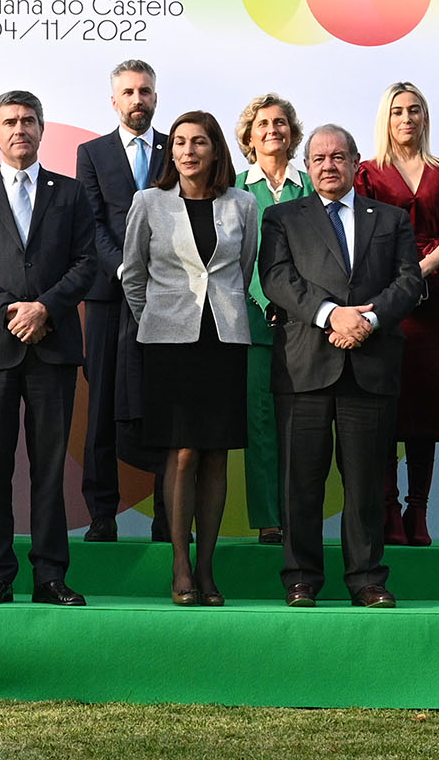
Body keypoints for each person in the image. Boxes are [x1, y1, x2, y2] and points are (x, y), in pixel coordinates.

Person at [258, 124, 424, 609]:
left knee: (367, 484)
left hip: (370, 366)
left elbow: (409, 280)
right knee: (300, 484)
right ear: (306, 168)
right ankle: (301, 579)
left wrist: (367, 319)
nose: (328, 165)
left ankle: (368, 580)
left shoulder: (390, 219)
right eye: (318, 159)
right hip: (305, 365)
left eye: (338, 157)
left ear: (356, 162)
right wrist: (333, 314)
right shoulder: (282, 217)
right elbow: (276, 279)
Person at [0, 91, 93, 607]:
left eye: (28, 121)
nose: (19, 129)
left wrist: (45, 309)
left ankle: (51, 575)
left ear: (41, 129)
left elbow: (86, 263)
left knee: (49, 468)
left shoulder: (72, 194)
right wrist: (13, 310)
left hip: (51, 347)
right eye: (9, 122)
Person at [121, 111, 258, 606]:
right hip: (168, 345)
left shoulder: (243, 204)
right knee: (181, 452)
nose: (187, 151)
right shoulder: (149, 202)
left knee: (216, 452)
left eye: (199, 142)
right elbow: (132, 275)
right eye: (179, 142)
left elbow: (240, 273)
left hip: (223, 342)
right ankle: (180, 564)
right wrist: (157, 320)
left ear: (216, 149)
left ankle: (207, 566)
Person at [352, 81, 439, 547]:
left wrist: (421, 269)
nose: (406, 118)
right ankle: (387, 510)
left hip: (432, 299)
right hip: (383, 299)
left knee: (426, 407)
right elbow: (358, 233)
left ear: (425, 117)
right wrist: (397, 281)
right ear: (386, 118)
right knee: (384, 405)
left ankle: (418, 512)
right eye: (397, 111)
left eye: (414, 110)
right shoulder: (367, 173)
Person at [73, 58, 170, 541]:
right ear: (114, 101)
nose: (138, 100)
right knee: (102, 407)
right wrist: (127, 270)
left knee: (165, 406)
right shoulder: (92, 154)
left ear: (156, 97)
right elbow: (91, 223)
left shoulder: (179, 150)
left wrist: (159, 277)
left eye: (146, 91)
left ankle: (169, 516)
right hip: (110, 299)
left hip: (170, 301)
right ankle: (102, 514)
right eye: (129, 92)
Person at [236, 93, 307, 546]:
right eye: (262, 124)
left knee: (303, 424)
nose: (272, 130)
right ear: (248, 136)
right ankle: (268, 519)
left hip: (307, 322)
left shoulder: (311, 185)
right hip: (251, 320)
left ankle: (299, 516)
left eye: (280, 123)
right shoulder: (236, 188)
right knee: (260, 424)